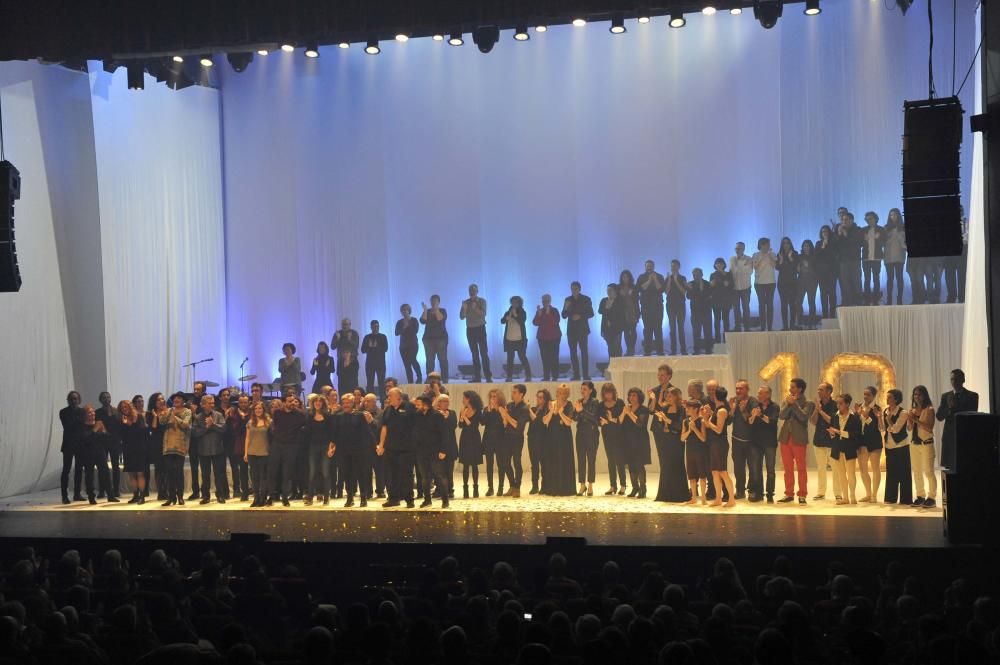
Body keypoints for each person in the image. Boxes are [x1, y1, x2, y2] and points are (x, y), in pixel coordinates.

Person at [377, 387, 417, 508]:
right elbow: (384, 428)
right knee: (391, 475)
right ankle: (393, 498)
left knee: (406, 475)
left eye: (390, 395)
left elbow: (416, 424)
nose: (388, 398)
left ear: (398, 397)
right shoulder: (388, 410)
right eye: (388, 396)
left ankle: (409, 499)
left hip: (406, 448)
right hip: (391, 448)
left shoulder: (409, 407)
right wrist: (381, 445)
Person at [777, 378, 815, 504]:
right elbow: (781, 416)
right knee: (787, 468)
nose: (790, 389)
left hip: (799, 439)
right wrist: (788, 404)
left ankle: (802, 494)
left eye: (793, 387)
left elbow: (803, 417)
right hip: (785, 438)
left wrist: (794, 404)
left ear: (800, 389)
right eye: (790, 387)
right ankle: (789, 493)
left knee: (801, 468)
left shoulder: (808, 403)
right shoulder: (786, 401)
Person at [335, 393, 374, 507]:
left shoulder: (359, 415)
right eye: (344, 403)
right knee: (347, 474)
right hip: (344, 450)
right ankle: (350, 498)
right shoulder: (339, 416)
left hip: (358, 450)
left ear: (353, 403)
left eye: (348, 403)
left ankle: (363, 498)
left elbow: (366, 432)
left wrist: (374, 445)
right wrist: (333, 445)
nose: (346, 405)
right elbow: (336, 433)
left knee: (360, 474)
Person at [412, 395, 451, 508]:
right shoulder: (417, 415)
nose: (417, 406)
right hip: (421, 451)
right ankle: (427, 500)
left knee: (440, 475)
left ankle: (445, 500)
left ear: (426, 405)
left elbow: (445, 434)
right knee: (424, 477)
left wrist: (443, 450)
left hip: (435, 451)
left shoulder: (437, 416)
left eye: (419, 404)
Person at [936, 368, 979, 471]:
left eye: (957, 379)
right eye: (952, 379)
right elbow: (939, 416)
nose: (954, 382)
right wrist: (949, 408)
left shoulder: (972, 396)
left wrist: (955, 406)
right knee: (950, 470)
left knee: (966, 468)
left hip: (965, 436)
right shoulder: (946, 396)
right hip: (949, 438)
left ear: (963, 380)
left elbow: (971, 414)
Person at [270, 394, 307, 507]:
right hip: (277, 445)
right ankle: (271, 496)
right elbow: (274, 426)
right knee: (273, 471)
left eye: (293, 401)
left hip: (291, 446)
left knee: (287, 473)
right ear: (284, 402)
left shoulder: (300, 414)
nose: (292, 403)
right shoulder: (277, 413)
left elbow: (305, 427)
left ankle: (285, 497)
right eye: (289, 401)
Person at [653, 387, 688, 502]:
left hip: (677, 441)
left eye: (670, 396)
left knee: (677, 465)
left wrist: (667, 420)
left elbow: (680, 426)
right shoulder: (664, 408)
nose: (667, 398)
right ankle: (665, 494)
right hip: (666, 441)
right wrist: (661, 422)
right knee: (666, 466)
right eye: (666, 396)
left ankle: (679, 495)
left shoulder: (681, 409)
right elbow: (659, 425)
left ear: (676, 397)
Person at [192, 395, 229, 504]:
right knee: (205, 474)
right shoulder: (198, 417)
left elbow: (223, 429)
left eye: (213, 403)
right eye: (209, 403)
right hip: (203, 450)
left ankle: (220, 495)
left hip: (217, 449)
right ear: (203, 404)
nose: (212, 405)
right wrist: (206, 427)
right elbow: (194, 433)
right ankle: (205, 496)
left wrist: (213, 425)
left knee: (219, 474)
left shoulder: (218, 415)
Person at [703, 388, 735, 507]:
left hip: (720, 444)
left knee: (722, 472)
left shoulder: (722, 410)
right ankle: (718, 498)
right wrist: (709, 414)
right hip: (714, 443)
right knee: (715, 472)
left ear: (715, 396)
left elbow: (718, 429)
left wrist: (707, 419)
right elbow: (710, 423)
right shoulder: (717, 410)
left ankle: (731, 499)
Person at [543, 383, 577, 496]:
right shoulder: (551, 404)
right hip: (551, 436)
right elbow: (545, 421)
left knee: (564, 460)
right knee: (552, 460)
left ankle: (565, 489)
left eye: (565, 392)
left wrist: (561, 413)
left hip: (564, 438)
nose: (562, 394)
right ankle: (552, 488)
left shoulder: (569, 405)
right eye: (560, 392)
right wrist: (552, 412)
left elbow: (568, 422)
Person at [879, 388, 912, 505]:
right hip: (889, 446)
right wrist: (879, 417)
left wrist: (888, 420)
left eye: (890, 397)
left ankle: (905, 499)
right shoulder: (885, 411)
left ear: (896, 399)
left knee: (904, 473)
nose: (887, 399)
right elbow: (883, 428)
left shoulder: (903, 412)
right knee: (891, 472)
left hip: (901, 445)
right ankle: (890, 498)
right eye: (887, 397)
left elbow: (896, 429)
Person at [827, 393, 862, 505]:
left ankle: (852, 495)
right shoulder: (834, 416)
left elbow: (856, 434)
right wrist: (832, 434)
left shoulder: (855, 417)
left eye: (841, 403)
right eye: (837, 403)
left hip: (849, 448)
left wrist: (839, 432)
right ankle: (845, 497)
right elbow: (833, 432)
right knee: (841, 474)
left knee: (851, 474)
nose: (838, 405)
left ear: (847, 403)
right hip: (837, 447)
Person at [79, 405, 117, 505]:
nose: (93, 414)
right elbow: (85, 439)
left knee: (105, 473)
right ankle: (91, 497)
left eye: (93, 412)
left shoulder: (99, 423)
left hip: (100, 451)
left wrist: (104, 432)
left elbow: (107, 438)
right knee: (89, 475)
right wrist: (95, 429)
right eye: (90, 412)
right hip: (88, 453)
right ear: (85, 414)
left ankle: (111, 496)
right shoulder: (82, 425)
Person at [809, 382, 840, 502]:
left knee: (835, 468)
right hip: (819, 440)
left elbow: (832, 421)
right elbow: (813, 421)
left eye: (821, 389)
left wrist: (821, 411)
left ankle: (838, 493)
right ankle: (821, 492)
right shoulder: (817, 404)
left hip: (832, 441)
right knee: (821, 468)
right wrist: (817, 410)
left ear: (829, 392)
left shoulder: (835, 405)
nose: (818, 392)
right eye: (818, 389)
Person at [159, 393, 191, 506]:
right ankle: (171, 497)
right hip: (168, 445)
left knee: (178, 472)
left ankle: (180, 497)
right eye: (175, 398)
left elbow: (186, 424)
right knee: (169, 472)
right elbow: (161, 421)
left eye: (179, 398)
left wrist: (175, 417)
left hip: (180, 445)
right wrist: (167, 413)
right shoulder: (169, 410)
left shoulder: (187, 411)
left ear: (183, 401)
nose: (176, 400)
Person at [748, 385, 779, 503]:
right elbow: (750, 422)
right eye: (758, 393)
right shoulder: (756, 406)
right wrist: (753, 415)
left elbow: (772, 422)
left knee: (770, 469)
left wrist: (760, 415)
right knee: (756, 469)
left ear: (768, 395)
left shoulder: (775, 407)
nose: (758, 395)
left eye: (760, 393)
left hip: (769, 443)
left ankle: (770, 494)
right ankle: (758, 493)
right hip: (755, 442)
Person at [908, 385, 938, 508]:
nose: (917, 397)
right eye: (915, 394)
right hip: (914, 444)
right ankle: (920, 495)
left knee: (929, 471)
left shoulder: (929, 409)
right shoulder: (913, 410)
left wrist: (916, 420)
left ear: (924, 395)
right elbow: (909, 428)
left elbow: (929, 427)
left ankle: (931, 497)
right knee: (916, 471)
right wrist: (910, 420)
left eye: (919, 394)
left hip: (926, 443)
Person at [728, 380, 757, 501]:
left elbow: (752, 421)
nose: (738, 391)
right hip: (736, 440)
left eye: (741, 388)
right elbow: (728, 421)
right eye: (737, 388)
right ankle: (740, 491)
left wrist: (743, 410)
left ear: (747, 389)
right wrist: (732, 410)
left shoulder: (753, 401)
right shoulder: (734, 400)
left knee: (752, 467)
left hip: (751, 441)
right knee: (738, 467)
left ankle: (752, 491)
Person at [499, 384, 530, 497]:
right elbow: (506, 423)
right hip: (507, 437)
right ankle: (512, 485)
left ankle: (517, 487)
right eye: (512, 392)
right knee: (505, 462)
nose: (512, 394)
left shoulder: (524, 408)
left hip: (517, 438)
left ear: (521, 394)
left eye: (515, 392)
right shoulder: (510, 405)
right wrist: (504, 417)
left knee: (517, 462)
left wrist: (506, 415)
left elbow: (518, 426)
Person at [116, 400, 149, 505]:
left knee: (140, 472)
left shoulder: (138, 417)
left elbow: (142, 431)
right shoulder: (121, 420)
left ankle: (142, 496)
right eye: (122, 407)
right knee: (131, 473)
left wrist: (130, 423)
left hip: (139, 448)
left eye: (126, 406)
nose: (124, 409)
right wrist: (124, 424)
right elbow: (121, 435)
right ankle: (135, 495)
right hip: (128, 449)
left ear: (130, 407)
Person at [303, 395, 334, 506]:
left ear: (323, 404)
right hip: (313, 446)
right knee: (312, 472)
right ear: (313, 403)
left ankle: (326, 497)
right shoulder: (309, 416)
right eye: (316, 401)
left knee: (325, 472)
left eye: (320, 402)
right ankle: (310, 497)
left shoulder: (328, 416)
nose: (318, 403)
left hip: (325, 446)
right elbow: (307, 433)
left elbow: (332, 433)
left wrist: (331, 447)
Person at [619, 388, 650, 498]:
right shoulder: (627, 408)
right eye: (630, 395)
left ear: (639, 397)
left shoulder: (644, 409)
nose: (631, 397)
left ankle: (643, 489)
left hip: (640, 441)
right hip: (627, 441)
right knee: (630, 465)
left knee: (639, 465)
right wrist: (624, 412)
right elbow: (619, 422)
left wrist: (630, 413)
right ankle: (634, 488)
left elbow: (640, 423)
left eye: (634, 395)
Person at [854, 386, 883, 503]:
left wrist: (864, 415)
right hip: (861, 442)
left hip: (874, 441)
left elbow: (877, 426)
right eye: (864, 394)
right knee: (863, 469)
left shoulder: (877, 408)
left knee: (875, 468)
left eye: (868, 395)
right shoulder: (860, 407)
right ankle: (868, 493)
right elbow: (856, 423)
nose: (865, 397)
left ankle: (874, 495)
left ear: (874, 396)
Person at [573, 381, 602, 496]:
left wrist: (581, 411)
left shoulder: (595, 402)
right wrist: (578, 411)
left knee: (591, 459)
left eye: (584, 389)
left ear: (590, 390)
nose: (582, 391)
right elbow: (575, 417)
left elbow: (594, 418)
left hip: (591, 433)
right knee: (581, 459)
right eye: (581, 389)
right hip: (580, 433)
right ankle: (582, 484)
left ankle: (590, 485)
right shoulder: (579, 402)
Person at [562, 282, 594, 380]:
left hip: (582, 329)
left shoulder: (586, 299)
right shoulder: (568, 300)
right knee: (573, 353)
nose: (574, 290)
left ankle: (585, 375)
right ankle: (576, 375)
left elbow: (591, 313)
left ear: (579, 289)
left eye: (575, 288)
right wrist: (566, 307)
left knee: (584, 352)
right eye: (572, 289)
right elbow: (563, 315)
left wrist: (580, 316)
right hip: (571, 330)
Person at [599, 383, 627, 495]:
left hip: (619, 435)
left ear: (613, 392)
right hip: (607, 434)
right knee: (611, 460)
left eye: (610, 392)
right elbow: (598, 419)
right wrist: (601, 422)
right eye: (606, 392)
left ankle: (623, 485)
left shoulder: (620, 403)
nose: (608, 395)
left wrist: (612, 420)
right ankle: (613, 485)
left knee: (620, 460)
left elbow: (623, 419)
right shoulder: (601, 405)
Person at [460, 284, 492, 382]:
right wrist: (464, 308)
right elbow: (461, 317)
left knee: (484, 353)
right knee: (474, 354)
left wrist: (475, 307)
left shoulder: (482, 301)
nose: (472, 292)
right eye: (470, 290)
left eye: (474, 290)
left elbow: (483, 314)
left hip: (480, 329)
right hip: (470, 330)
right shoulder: (466, 302)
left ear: (477, 291)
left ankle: (488, 376)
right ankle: (477, 377)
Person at [59, 391, 85, 504]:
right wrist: (81, 420)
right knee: (66, 469)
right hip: (69, 444)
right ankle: (64, 496)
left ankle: (77, 494)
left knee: (79, 470)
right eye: (72, 399)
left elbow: (84, 426)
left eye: (76, 398)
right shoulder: (63, 412)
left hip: (80, 445)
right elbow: (68, 426)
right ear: (68, 400)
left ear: (79, 400)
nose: (74, 401)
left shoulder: (83, 411)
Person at [244, 401, 271, 507]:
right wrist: (246, 452)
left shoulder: (269, 421)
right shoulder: (250, 422)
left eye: (260, 408)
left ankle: (263, 497)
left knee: (263, 477)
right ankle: (256, 497)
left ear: (263, 409)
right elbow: (247, 438)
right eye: (256, 409)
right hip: (252, 452)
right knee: (254, 477)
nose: (258, 410)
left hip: (264, 452)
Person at [94, 391, 120, 500]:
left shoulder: (116, 411)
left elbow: (119, 425)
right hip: (102, 441)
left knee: (115, 466)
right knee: (102, 467)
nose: (106, 399)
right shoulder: (98, 412)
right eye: (104, 397)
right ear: (100, 400)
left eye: (108, 397)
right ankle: (102, 490)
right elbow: (98, 426)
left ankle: (116, 490)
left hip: (114, 441)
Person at [225, 394, 251, 502]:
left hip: (254, 443)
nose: (243, 404)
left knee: (256, 470)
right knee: (243, 470)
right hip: (240, 444)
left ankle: (257, 490)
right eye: (241, 402)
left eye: (245, 402)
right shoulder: (233, 413)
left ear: (249, 403)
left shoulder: (254, 412)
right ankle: (244, 492)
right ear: (238, 403)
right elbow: (234, 429)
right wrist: (242, 418)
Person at [458, 391, 484, 498]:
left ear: (469, 399)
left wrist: (464, 416)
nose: (463, 400)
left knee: (474, 465)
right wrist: (461, 417)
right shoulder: (463, 410)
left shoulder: (477, 411)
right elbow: (460, 425)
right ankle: (465, 488)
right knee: (465, 465)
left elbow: (472, 425)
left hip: (474, 438)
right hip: (465, 438)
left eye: (464, 398)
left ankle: (475, 488)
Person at [681, 400, 708, 505]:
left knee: (702, 474)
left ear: (695, 409)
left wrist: (695, 429)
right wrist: (689, 430)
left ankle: (703, 498)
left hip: (700, 450)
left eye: (689, 408)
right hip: (690, 450)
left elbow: (703, 438)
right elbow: (682, 438)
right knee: (691, 474)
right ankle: (693, 497)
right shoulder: (685, 421)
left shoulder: (701, 421)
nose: (686, 409)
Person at [835, 212, 864, 307]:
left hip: (854, 261)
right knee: (845, 284)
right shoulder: (839, 230)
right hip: (843, 261)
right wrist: (839, 234)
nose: (843, 222)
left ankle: (858, 304)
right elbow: (835, 246)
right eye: (842, 220)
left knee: (856, 283)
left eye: (846, 220)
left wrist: (845, 234)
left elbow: (856, 243)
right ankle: (847, 305)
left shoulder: (858, 230)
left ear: (851, 220)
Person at [637, 260, 665, 355]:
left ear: (654, 267)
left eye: (651, 266)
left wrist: (655, 279)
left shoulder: (660, 276)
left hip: (658, 308)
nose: (649, 268)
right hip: (646, 308)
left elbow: (661, 289)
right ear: (645, 267)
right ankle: (647, 351)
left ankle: (660, 351)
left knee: (658, 329)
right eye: (648, 266)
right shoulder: (641, 277)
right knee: (647, 330)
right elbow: (641, 288)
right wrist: (649, 280)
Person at [526, 389, 551, 495]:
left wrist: (528, 409)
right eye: (537, 396)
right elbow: (529, 419)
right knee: (534, 463)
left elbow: (537, 421)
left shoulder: (546, 410)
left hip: (542, 439)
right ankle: (534, 486)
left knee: (543, 463)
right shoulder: (534, 409)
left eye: (541, 397)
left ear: (545, 399)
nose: (538, 399)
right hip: (531, 438)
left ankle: (544, 486)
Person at [482, 388, 506, 496]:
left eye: (494, 396)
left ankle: (500, 487)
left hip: (500, 440)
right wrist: (488, 411)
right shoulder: (486, 409)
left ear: (499, 397)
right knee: (489, 465)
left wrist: (498, 410)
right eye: (491, 396)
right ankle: (490, 487)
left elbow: (504, 424)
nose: (492, 398)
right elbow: (483, 422)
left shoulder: (503, 408)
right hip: (488, 440)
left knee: (501, 464)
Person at [501, 296, 532, 381]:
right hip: (509, 338)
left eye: (515, 302)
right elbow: (502, 321)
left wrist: (515, 315)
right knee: (510, 358)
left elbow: (522, 321)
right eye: (512, 302)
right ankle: (509, 376)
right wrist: (506, 318)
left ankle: (528, 375)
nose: (513, 304)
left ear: (519, 303)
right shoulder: (508, 311)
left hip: (519, 339)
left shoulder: (522, 312)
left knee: (522, 357)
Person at [435, 394, 459, 500]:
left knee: (449, 470)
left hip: (451, 446)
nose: (446, 403)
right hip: (439, 446)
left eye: (447, 401)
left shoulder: (452, 413)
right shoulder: (435, 414)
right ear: (439, 403)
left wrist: (445, 418)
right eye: (444, 401)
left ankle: (450, 490)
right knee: (440, 471)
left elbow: (453, 425)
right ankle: (441, 491)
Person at [533, 294, 562, 380]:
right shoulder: (540, 311)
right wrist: (539, 314)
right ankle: (546, 376)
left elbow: (556, 321)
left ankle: (555, 376)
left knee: (554, 357)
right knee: (545, 358)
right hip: (542, 338)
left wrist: (548, 314)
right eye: (543, 301)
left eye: (547, 301)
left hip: (554, 337)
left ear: (550, 301)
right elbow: (535, 323)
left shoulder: (554, 310)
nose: (545, 302)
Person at [420, 295, 449, 381]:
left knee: (442, 359)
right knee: (429, 360)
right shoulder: (427, 311)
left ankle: (445, 378)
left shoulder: (442, 310)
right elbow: (422, 321)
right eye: (432, 300)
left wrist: (436, 309)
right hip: (428, 339)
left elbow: (440, 319)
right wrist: (425, 310)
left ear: (438, 302)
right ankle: (430, 379)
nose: (433, 302)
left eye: (435, 301)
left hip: (441, 338)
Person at [752, 238, 777, 331]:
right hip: (759, 283)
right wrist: (762, 256)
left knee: (770, 305)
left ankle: (770, 327)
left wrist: (769, 255)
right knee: (761, 305)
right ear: (761, 245)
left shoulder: (772, 254)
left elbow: (774, 265)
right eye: (766, 244)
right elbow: (755, 266)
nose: (768, 246)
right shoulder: (755, 255)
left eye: (769, 244)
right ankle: (763, 327)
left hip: (771, 283)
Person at [883, 208, 907, 305]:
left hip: (900, 255)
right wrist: (891, 236)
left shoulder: (903, 227)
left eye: (895, 215)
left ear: (898, 216)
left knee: (899, 278)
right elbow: (882, 242)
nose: (893, 217)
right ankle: (889, 300)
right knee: (890, 279)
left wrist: (899, 236)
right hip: (888, 256)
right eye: (891, 215)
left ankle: (899, 299)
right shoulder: (886, 227)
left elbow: (904, 243)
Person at [664, 260, 688, 355]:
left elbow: (683, 291)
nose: (673, 268)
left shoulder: (683, 278)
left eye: (675, 266)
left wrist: (676, 280)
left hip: (680, 305)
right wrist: (670, 279)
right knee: (672, 329)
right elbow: (666, 291)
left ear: (679, 267)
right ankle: (673, 350)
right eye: (672, 266)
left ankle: (683, 350)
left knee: (681, 328)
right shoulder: (668, 278)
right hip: (670, 305)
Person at [861, 211, 885, 305]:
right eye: (866, 219)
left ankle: (876, 299)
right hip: (866, 258)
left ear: (875, 218)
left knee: (876, 278)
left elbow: (884, 242)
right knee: (867, 279)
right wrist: (865, 240)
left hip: (877, 258)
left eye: (870, 218)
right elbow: (859, 244)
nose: (868, 220)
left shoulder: (881, 229)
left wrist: (877, 238)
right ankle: (867, 299)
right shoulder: (863, 230)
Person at [687, 268, 712, 355]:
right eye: (694, 275)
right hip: (695, 312)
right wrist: (699, 292)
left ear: (702, 274)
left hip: (706, 311)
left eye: (697, 274)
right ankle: (696, 350)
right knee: (696, 332)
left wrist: (699, 293)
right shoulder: (690, 284)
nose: (696, 276)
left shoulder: (707, 284)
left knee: (707, 332)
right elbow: (689, 296)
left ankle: (708, 350)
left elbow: (708, 296)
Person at [815, 225, 838, 318]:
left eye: (826, 231)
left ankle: (832, 315)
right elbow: (816, 256)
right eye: (823, 231)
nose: (825, 233)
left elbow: (835, 255)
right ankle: (824, 316)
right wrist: (823, 246)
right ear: (821, 233)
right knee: (823, 294)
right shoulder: (818, 243)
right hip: (821, 273)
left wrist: (828, 244)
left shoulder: (833, 242)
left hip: (832, 272)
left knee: (832, 294)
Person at [395, 304, 422, 385]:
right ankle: (410, 382)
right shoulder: (399, 322)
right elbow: (396, 333)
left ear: (409, 310)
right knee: (406, 365)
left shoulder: (414, 320)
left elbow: (415, 331)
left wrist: (407, 326)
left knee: (413, 360)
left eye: (406, 309)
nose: (404, 311)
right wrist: (404, 327)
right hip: (403, 346)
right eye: (403, 310)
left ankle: (419, 377)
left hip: (413, 344)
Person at [775, 237, 798, 330]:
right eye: (784, 243)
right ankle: (785, 326)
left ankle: (792, 325)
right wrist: (780, 260)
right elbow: (777, 268)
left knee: (792, 304)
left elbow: (796, 268)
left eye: (787, 243)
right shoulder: (779, 254)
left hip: (793, 283)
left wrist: (790, 258)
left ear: (790, 244)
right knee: (783, 305)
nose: (786, 245)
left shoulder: (795, 253)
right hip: (782, 283)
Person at [332, 319, 361, 394]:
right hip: (341, 362)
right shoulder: (338, 333)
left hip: (352, 361)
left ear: (350, 324)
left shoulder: (354, 333)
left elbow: (356, 346)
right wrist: (338, 339)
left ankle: (354, 402)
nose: (344, 326)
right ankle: (342, 402)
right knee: (342, 384)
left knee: (353, 383)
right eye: (343, 324)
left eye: (346, 324)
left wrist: (349, 339)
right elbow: (332, 346)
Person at [147, 393, 167, 501]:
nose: (161, 401)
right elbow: (153, 428)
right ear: (154, 402)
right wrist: (155, 417)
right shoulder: (150, 414)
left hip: (168, 442)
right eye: (159, 399)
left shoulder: (168, 411)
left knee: (167, 468)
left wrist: (165, 413)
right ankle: (161, 491)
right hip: (156, 443)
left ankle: (168, 490)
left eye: (163, 399)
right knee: (159, 468)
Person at [730, 243, 753, 333]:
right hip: (735, 288)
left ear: (743, 249)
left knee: (746, 308)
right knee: (736, 309)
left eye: (739, 248)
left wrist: (739, 266)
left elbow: (749, 271)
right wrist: (743, 266)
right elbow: (733, 271)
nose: (737, 250)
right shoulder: (732, 259)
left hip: (745, 287)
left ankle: (747, 328)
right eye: (736, 248)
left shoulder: (749, 258)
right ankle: (737, 327)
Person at [709, 258, 733, 344]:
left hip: (726, 300)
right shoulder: (712, 275)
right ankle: (718, 341)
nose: (719, 265)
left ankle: (727, 341)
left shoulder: (728, 274)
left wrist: (728, 284)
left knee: (726, 321)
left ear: (724, 264)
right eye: (717, 264)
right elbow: (710, 288)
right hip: (716, 300)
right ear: (715, 265)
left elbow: (731, 287)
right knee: (717, 321)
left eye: (721, 263)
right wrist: (711, 285)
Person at [361, 320, 388, 397]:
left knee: (382, 383)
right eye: (374, 327)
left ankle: (383, 402)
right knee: (370, 383)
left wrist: (375, 347)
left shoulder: (383, 337)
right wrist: (370, 347)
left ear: (379, 327)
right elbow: (362, 350)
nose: (375, 328)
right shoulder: (367, 337)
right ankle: (370, 400)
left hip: (380, 363)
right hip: (370, 363)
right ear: (371, 327)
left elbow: (385, 348)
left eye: (377, 326)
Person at [598, 284, 624, 359]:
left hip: (617, 328)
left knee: (617, 348)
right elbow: (600, 311)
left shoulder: (620, 300)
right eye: (607, 290)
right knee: (610, 348)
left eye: (610, 290)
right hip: (606, 328)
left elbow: (621, 314)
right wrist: (606, 307)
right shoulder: (604, 300)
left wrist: (613, 322)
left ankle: (619, 367)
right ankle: (612, 366)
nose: (608, 292)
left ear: (615, 291)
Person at [618, 269, 640, 356]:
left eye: (627, 277)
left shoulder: (634, 287)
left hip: (633, 311)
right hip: (623, 312)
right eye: (623, 277)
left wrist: (632, 294)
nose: (625, 278)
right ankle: (628, 348)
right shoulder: (618, 287)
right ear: (621, 278)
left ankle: (632, 348)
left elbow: (637, 299)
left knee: (633, 330)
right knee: (626, 331)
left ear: (629, 278)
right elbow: (617, 300)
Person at [797, 240, 818, 328]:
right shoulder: (799, 256)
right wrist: (798, 268)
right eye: (804, 246)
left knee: (811, 302)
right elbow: (797, 269)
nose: (805, 247)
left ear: (810, 247)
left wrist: (808, 265)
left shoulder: (814, 257)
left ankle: (812, 322)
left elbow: (817, 271)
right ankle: (800, 322)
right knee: (798, 302)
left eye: (807, 246)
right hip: (801, 281)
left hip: (812, 281)